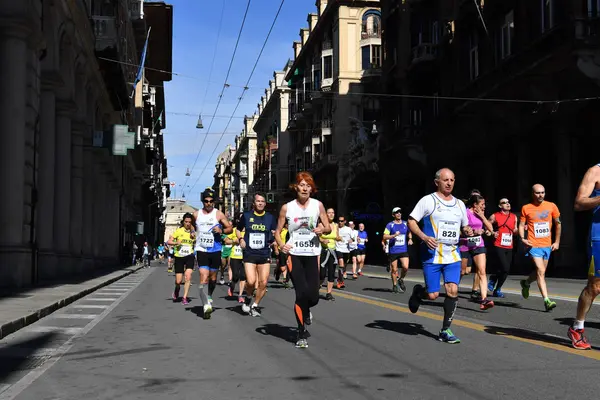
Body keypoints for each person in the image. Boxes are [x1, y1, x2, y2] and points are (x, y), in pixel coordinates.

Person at [407, 168, 473, 344]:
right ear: (437, 182)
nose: (449, 183)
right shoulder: (428, 201)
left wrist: (467, 230)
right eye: (446, 180)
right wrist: (424, 237)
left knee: (453, 290)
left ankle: (445, 330)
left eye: (452, 180)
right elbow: (411, 221)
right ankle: (418, 293)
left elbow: (464, 227)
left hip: (452, 255)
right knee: (433, 295)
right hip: (432, 255)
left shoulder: (460, 204)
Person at [275, 172, 330, 349]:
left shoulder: (318, 205)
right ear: (296, 187)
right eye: (301, 184)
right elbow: (277, 231)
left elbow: (328, 227)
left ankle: (307, 310)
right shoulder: (287, 208)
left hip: (313, 253)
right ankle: (300, 333)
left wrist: (323, 230)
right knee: (300, 293)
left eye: (308, 185)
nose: (305, 188)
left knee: (313, 296)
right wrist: (282, 245)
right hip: (295, 254)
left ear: (311, 189)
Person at [568, 163, 600, 349]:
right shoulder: (595, 171)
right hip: (598, 237)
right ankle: (577, 328)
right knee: (595, 287)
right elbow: (579, 203)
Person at [519, 184, 560, 311]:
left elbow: (558, 224)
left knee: (539, 272)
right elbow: (521, 225)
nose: (541, 195)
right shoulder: (526, 208)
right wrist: (523, 238)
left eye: (543, 192)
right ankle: (547, 300)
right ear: (532, 194)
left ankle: (525, 283)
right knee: (541, 271)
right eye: (538, 193)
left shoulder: (551, 205)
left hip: (547, 245)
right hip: (533, 245)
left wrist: (557, 241)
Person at [193, 189, 233, 319]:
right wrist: (193, 232)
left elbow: (229, 228)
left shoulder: (218, 214)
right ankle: (206, 305)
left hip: (215, 249)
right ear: (203, 201)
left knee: (213, 278)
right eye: (206, 201)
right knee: (204, 277)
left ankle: (209, 294)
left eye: (211, 201)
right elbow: (191, 227)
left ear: (214, 202)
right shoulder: (196, 214)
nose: (208, 203)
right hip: (201, 249)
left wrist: (221, 229)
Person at [238, 193, 278, 317]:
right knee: (250, 281)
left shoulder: (270, 218)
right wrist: (241, 239)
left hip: (264, 253)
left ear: (265, 204)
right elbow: (238, 229)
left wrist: (275, 240)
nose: (260, 203)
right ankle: (248, 297)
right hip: (250, 252)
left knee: (263, 282)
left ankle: (255, 305)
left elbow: (276, 232)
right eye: (258, 201)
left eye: (262, 201)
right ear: (254, 203)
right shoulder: (246, 216)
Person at [459, 194, 495, 310]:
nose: (484, 206)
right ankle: (452, 287)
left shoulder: (481, 214)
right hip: (465, 244)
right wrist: (473, 231)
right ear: (475, 205)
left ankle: (484, 300)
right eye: (482, 204)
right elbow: (461, 230)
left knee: (482, 271)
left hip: (478, 244)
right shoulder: (465, 213)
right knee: (463, 271)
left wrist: (483, 217)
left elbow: (490, 228)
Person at [487, 198, 518, 297]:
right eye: (504, 203)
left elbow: (515, 229)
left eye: (508, 202)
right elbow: (487, 225)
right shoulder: (495, 216)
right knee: (504, 266)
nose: (507, 204)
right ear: (500, 206)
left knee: (506, 269)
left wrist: (520, 230)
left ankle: (497, 288)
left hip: (509, 245)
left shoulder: (514, 217)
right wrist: (492, 232)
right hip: (498, 244)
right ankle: (493, 278)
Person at [167, 213, 196, 304]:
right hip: (179, 256)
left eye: (189, 222)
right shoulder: (179, 231)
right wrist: (176, 243)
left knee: (188, 277)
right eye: (186, 222)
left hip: (189, 256)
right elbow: (169, 241)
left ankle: (184, 297)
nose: (187, 224)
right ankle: (177, 289)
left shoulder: (193, 232)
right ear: (183, 222)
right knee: (179, 281)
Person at [382, 207, 412, 293]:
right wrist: (393, 235)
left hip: (403, 250)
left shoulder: (406, 224)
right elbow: (384, 236)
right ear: (393, 215)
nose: (399, 214)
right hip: (394, 250)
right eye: (396, 212)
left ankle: (401, 279)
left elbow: (409, 232)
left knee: (405, 267)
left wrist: (410, 239)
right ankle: (395, 285)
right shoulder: (390, 225)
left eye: (400, 212)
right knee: (394, 270)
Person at [318, 208, 338, 301]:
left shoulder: (335, 225)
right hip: (324, 251)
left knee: (331, 273)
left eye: (332, 213)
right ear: (325, 214)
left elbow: (336, 237)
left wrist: (343, 239)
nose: (331, 214)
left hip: (333, 252)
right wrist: (323, 240)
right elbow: (317, 237)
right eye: (329, 213)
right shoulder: (321, 225)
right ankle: (317, 287)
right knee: (322, 274)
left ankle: (329, 293)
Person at [228, 213, 246, 303]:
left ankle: (240, 295)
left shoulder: (249, 231)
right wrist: (233, 241)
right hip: (235, 256)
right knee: (236, 275)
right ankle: (232, 286)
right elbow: (226, 240)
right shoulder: (234, 230)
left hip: (246, 257)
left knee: (243, 276)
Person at [335, 216, 351, 289]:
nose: (340, 222)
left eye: (342, 221)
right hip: (338, 248)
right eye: (339, 221)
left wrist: (352, 240)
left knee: (344, 265)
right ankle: (340, 281)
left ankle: (340, 277)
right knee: (341, 263)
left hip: (346, 249)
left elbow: (353, 238)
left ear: (345, 221)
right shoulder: (336, 227)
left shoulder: (348, 229)